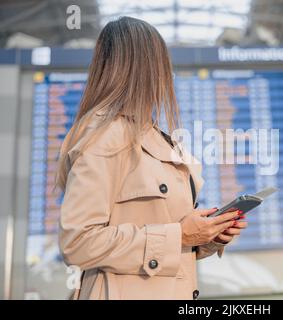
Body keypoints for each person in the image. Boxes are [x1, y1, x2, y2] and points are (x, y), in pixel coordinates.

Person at [56, 16, 247, 300]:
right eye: (161, 63)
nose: (166, 75)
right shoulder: (104, 136)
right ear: (145, 67)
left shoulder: (157, 138)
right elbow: (78, 242)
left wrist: (205, 237)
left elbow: (161, 237)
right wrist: (179, 236)